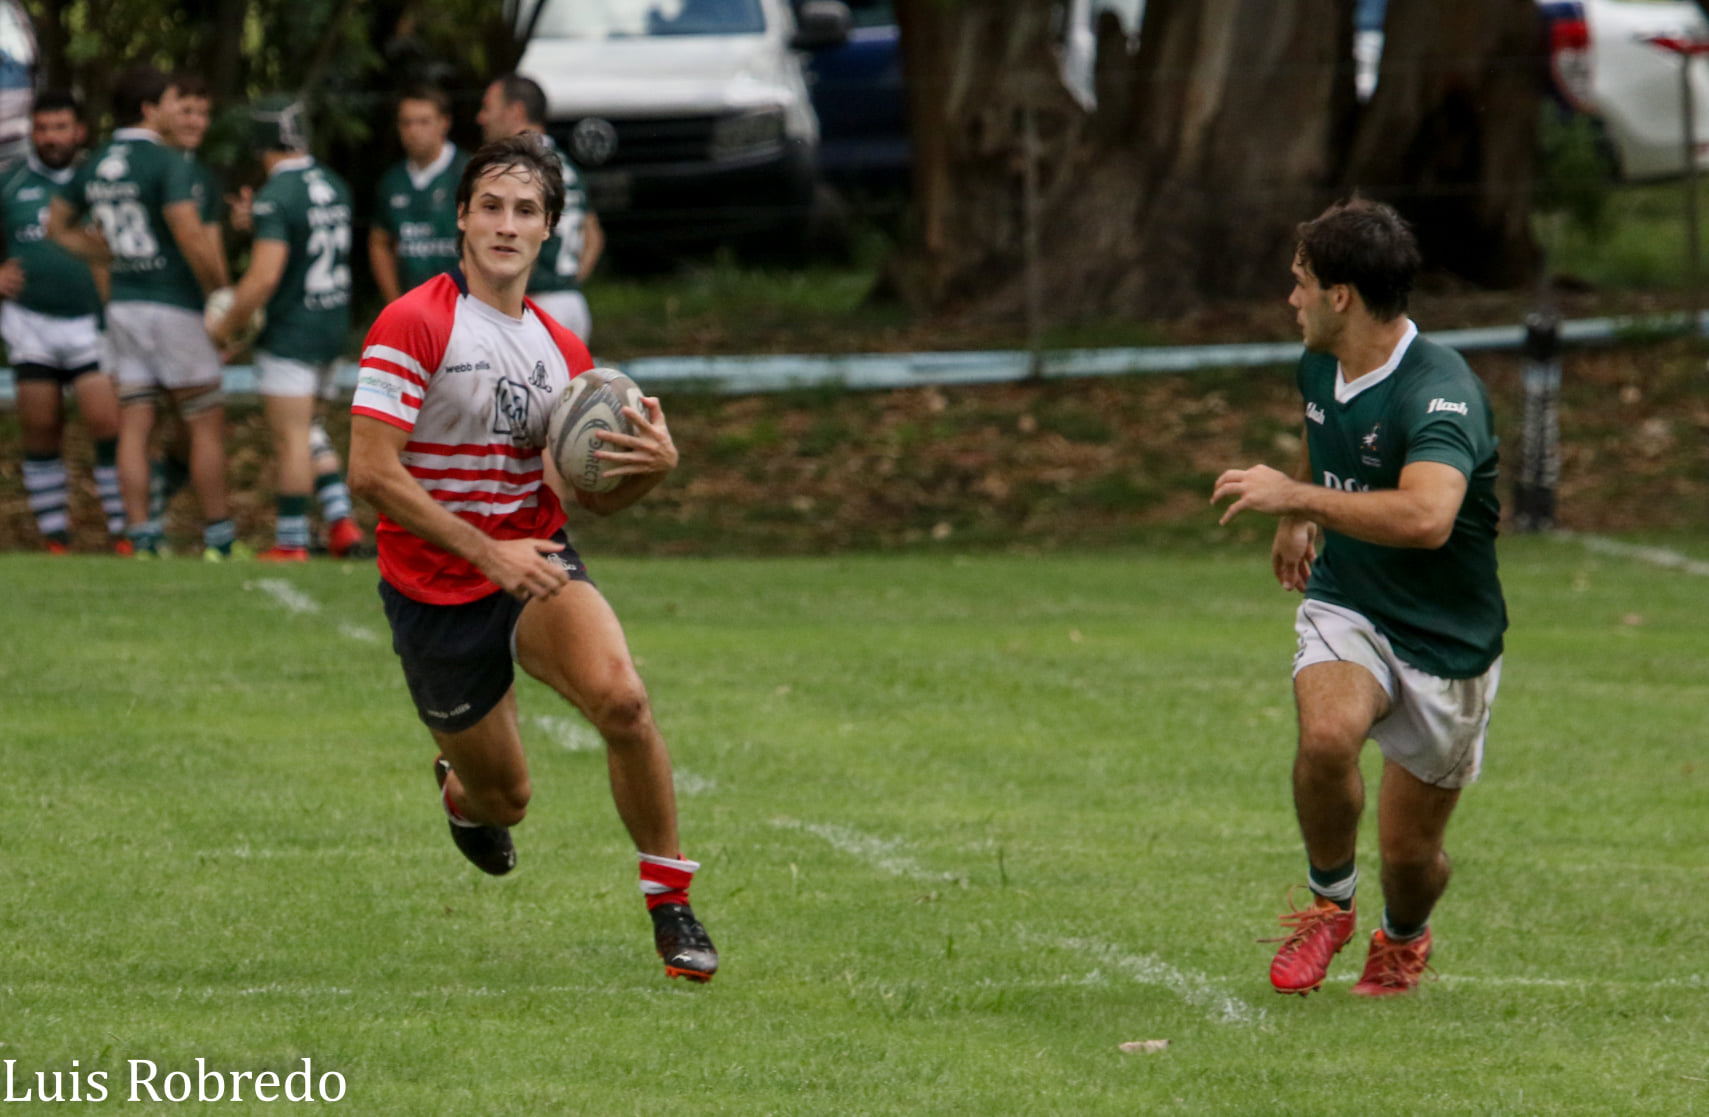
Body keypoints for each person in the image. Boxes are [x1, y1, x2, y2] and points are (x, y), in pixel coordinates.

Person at [346, 134, 718, 983]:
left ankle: (671, 902)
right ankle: (460, 793)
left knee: (623, 702)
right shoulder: (415, 320)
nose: (506, 224)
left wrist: (652, 471)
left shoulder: (563, 353)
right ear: (462, 219)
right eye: (491, 206)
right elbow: (370, 471)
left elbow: (582, 493)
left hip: (537, 567)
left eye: (524, 210)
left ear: (548, 227)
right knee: (504, 798)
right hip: (435, 589)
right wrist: (486, 551)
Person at [1211, 198, 1506, 998]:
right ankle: (1329, 905)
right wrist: (1299, 514)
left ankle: (1402, 935)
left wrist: (1293, 496)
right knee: (1327, 735)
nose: (1290, 297)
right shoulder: (1319, 359)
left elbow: (1425, 516)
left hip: (1446, 640)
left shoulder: (1439, 393)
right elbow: (1324, 425)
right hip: (1348, 600)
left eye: (1301, 281)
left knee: (1410, 859)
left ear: (1341, 295)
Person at [47, 62, 238, 560]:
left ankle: (141, 535)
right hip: (173, 303)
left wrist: (109, 255)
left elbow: (57, 226)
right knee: (204, 420)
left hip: (125, 306)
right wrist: (222, 293)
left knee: (135, 423)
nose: (180, 111)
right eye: (175, 101)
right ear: (150, 109)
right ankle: (219, 536)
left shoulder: (97, 161)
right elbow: (189, 234)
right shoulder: (167, 160)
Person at [209, 96, 364, 561]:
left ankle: (291, 542)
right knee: (310, 428)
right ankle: (343, 526)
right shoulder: (333, 184)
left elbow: (264, 278)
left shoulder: (276, 196)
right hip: (330, 325)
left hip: (291, 330)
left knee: (290, 438)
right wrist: (256, 221)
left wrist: (228, 328)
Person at [0, 89, 127, 553]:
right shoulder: (10, 183)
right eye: (42, 128)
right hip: (30, 323)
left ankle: (124, 531)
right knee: (39, 425)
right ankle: (55, 537)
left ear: (79, 131)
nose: (50, 137)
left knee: (107, 422)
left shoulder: (104, 180)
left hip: (92, 324)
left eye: (60, 127)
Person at [145, 70, 224, 538]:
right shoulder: (147, 163)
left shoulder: (203, 176)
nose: (195, 120)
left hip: (190, 316)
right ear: (160, 111)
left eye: (203, 113)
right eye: (186, 109)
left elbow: (210, 245)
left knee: (184, 421)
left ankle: (154, 506)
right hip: (152, 310)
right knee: (151, 417)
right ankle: (209, 532)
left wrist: (225, 315)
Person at [475, 72, 603, 341]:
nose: (481, 118)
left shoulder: (519, 166)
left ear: (515, 112)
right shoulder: (564, 164)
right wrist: (567, 280)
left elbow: (520, 235)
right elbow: (593, 235)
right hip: (572, 303)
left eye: (488, 107)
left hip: (536, 304)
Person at [368, 84, 466, 304]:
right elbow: (379, 242)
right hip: (414, 308)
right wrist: (394, 301)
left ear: (444, 123)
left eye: (424, 121)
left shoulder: (469, 173)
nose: (414, 130)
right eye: (407, 123)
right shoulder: (392, 181)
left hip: (464, 307)